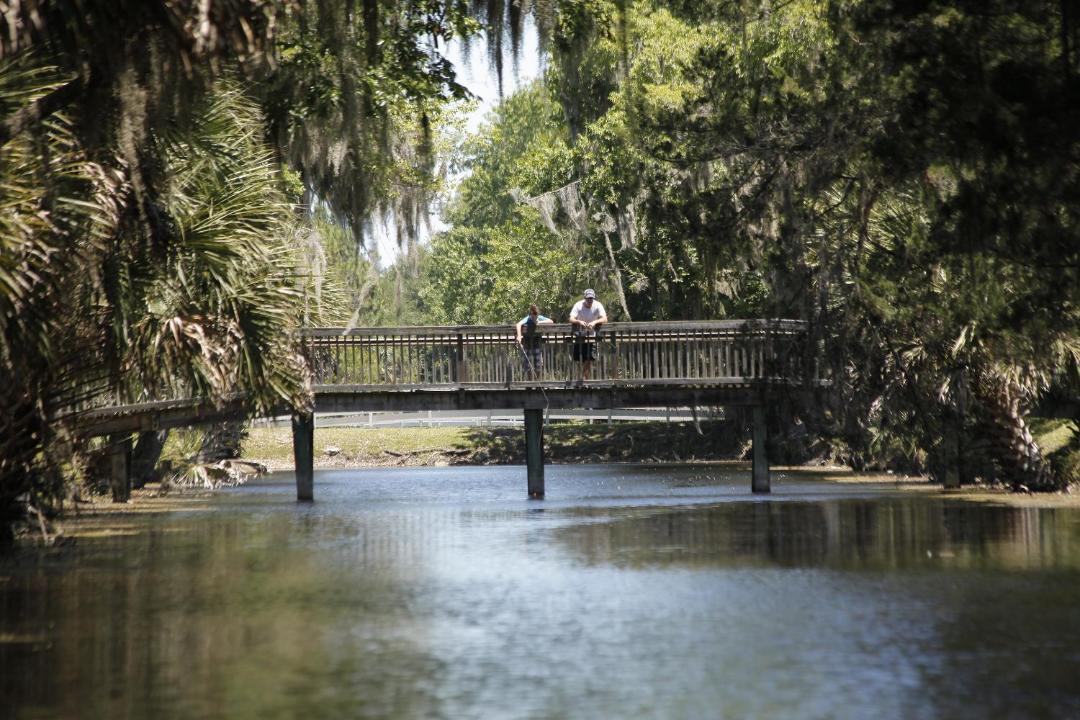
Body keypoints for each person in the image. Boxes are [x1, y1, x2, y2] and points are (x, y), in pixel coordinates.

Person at [569, 288, 607, 381]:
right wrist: (579, 322)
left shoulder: (598, 305)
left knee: (589, 358)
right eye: (588, 298)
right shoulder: (578, 305)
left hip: (592, 336)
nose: (590, 300)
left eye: (591, 298)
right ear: (584, 298)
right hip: (580, 335)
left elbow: (605, 319)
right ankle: (579, 378)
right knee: (578, 358)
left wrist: (594, 322)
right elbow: (571, 318)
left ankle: (585, 380)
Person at [516, 304, 553, 380]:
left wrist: (540, 323)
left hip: (537, 344)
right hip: (527, 343)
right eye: (532, 314)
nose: (534, 316)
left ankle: (537, 382)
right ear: (530, 314)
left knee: (539, 365)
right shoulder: (527, 319)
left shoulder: (540, 318)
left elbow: (551, 321)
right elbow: (518, 324)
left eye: (535, 314)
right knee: (527, 365)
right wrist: (519, 335)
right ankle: (530, 383)